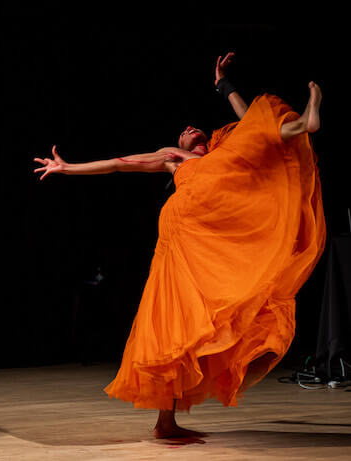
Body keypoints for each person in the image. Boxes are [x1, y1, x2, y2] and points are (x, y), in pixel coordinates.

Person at [33, 52, 325, 439]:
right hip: (179, 246)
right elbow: (121, 163)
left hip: (213, 245)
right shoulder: (174, 158)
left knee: (264, 128)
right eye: (183, 130)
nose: (189, 128)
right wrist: (69, 168)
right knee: (173, 330)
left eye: (193, 128)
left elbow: (254, 124)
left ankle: (303, 124)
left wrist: (224, 86)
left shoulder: (227, 151)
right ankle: (164, 422)